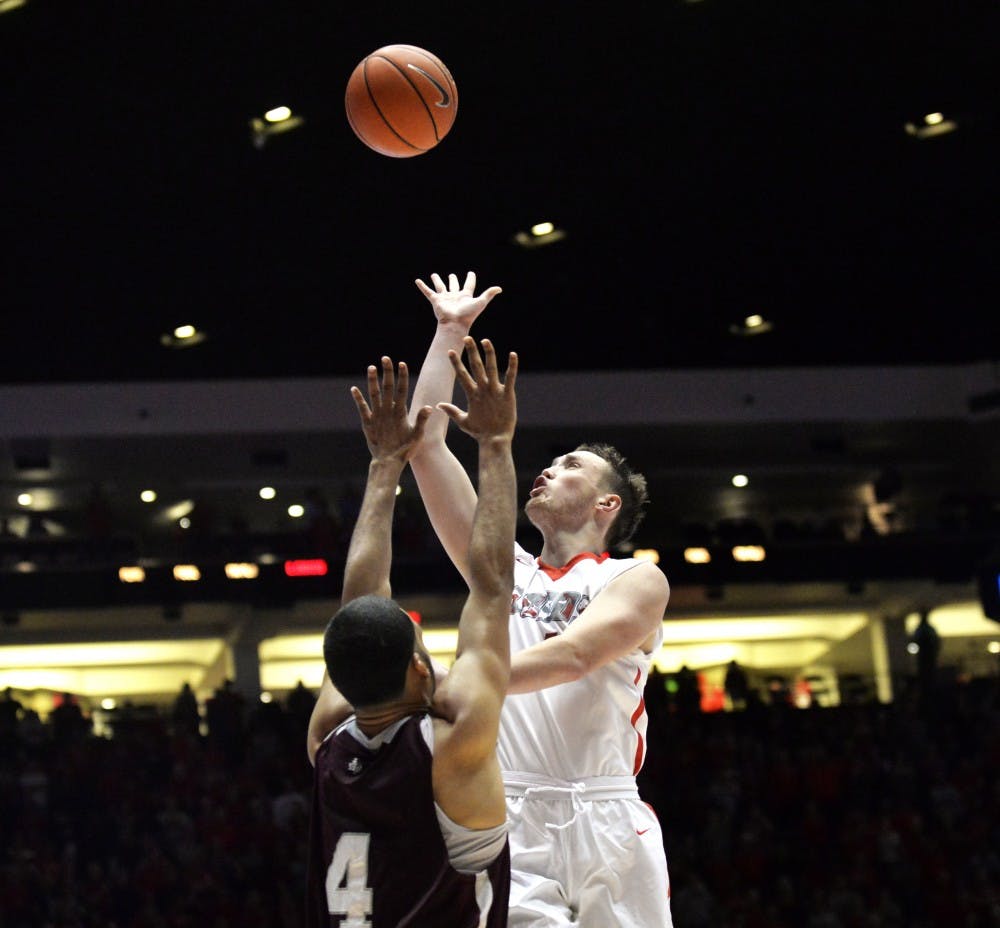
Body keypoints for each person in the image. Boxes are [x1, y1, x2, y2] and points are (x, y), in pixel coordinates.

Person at [407, 271, 674, 927]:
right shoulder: (501, 571)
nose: (548, 469)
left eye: (572, 466)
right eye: (549, 462)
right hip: (513, 814)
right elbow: (425, 446)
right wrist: (449, 335)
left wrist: (460, 683)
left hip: (607, 815)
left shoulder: (635, 580)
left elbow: (577, 654)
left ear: (608, 504)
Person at [306, 338, 519, 928]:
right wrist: (495, 445)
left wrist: (384, 468)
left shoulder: (326, 739)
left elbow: (359, 606)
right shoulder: (454, 746)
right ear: (420, 669)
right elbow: (494, 586)